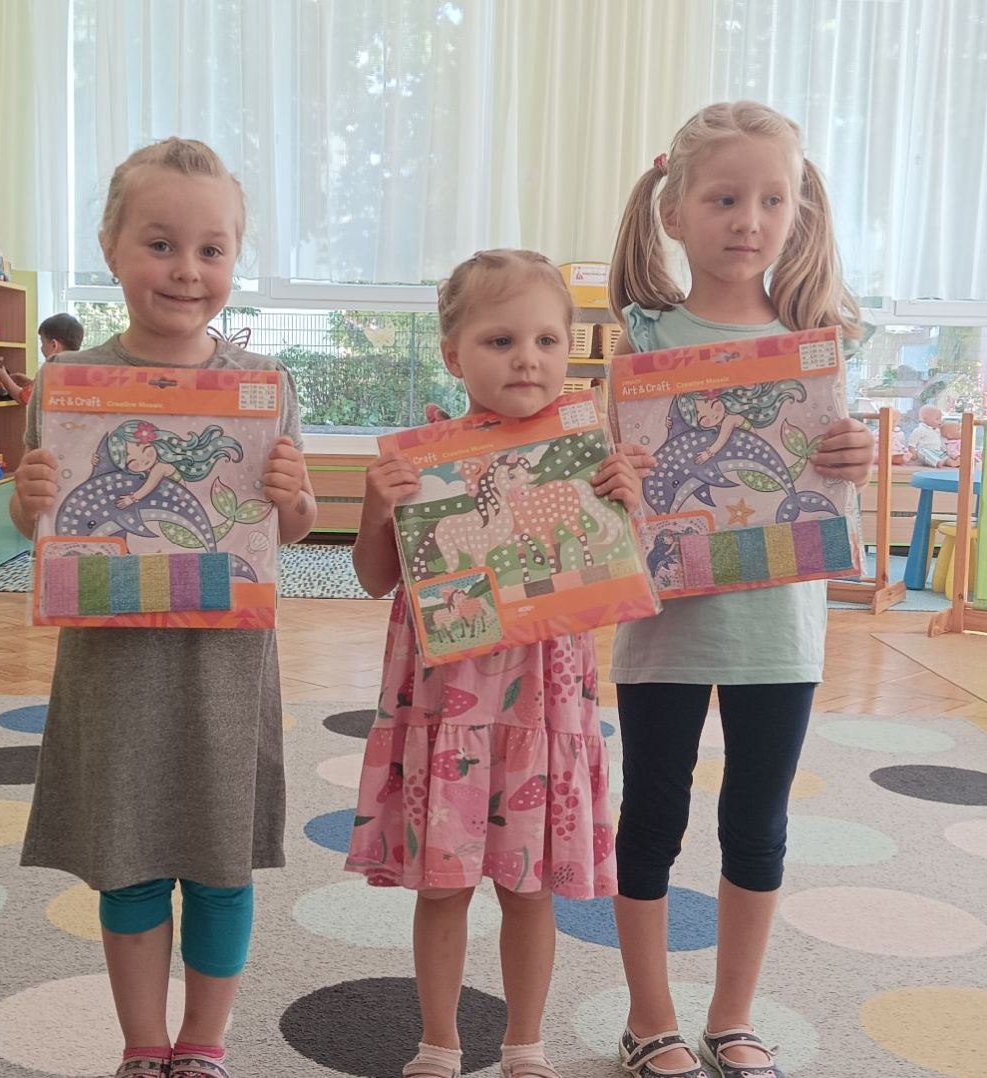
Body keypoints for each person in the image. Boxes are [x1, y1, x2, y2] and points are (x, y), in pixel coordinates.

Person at [8, 138, 315, 1078]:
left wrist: (296, 496)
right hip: (113, 663)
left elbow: (294, 525)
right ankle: (145, 1046)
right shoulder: (68, 385)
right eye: (160, 244)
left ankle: (204, 1045)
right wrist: (27, 501)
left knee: (221, 860)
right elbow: (41, 519)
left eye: (212, 249)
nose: (187, 270)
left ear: (235, 258)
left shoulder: (265, 387)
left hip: (225, 665)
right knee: (129, 857)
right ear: (110, 248)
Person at [605, 101, 875, 1078]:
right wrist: (613, 478)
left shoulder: (817, 340)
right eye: (724, 198)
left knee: (758, 826)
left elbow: (830, 479)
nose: (749, 220)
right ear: (674, 210)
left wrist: (855, 456)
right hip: (665, 628)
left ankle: (732, 1017)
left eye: (772, 199)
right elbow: (611, 483)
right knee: (651, 821)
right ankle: (648, 1020)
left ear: (799, 212)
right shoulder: (643, 339)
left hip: (780, 632)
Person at [346, 250, 653, 1078]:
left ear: (570, 350)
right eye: (500, 340)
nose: (527, 359)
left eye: (547, 340)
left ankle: (526, 1044)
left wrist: (628, 504)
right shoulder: (424, 461)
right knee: (442, 886)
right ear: (454, 356)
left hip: (541, 709)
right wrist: (377, 509)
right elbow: (374, 578)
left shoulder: (587, 454)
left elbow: (625, 573)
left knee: (529, 885)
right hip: (446, 703)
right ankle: (438, 1042)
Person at [0, 312, 86, 404]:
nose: (41, 348)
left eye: (43, 343)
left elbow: (23, 397)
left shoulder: (52, 371)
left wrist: (3, 377)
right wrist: (28, 382)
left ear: (54, 345)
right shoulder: (79, 369)